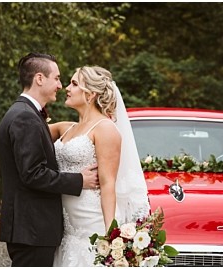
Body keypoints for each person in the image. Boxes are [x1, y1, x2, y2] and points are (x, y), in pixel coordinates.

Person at [0, 52, 100, 267]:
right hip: (32, 228)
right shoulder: (25, 117)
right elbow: (33, 174)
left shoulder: (27, 113)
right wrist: (79, 180)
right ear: (39, 78)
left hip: (31, 228)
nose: (60, 85)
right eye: (57, 78)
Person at [49, 66, 150, 266]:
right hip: (68, 228)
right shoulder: (67, 127)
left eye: (74, 83)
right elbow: (29, 125)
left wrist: (111, 235)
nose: (67, 88)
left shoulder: (105, 129)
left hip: (91, 220)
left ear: (91, 94)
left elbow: (107, 184)